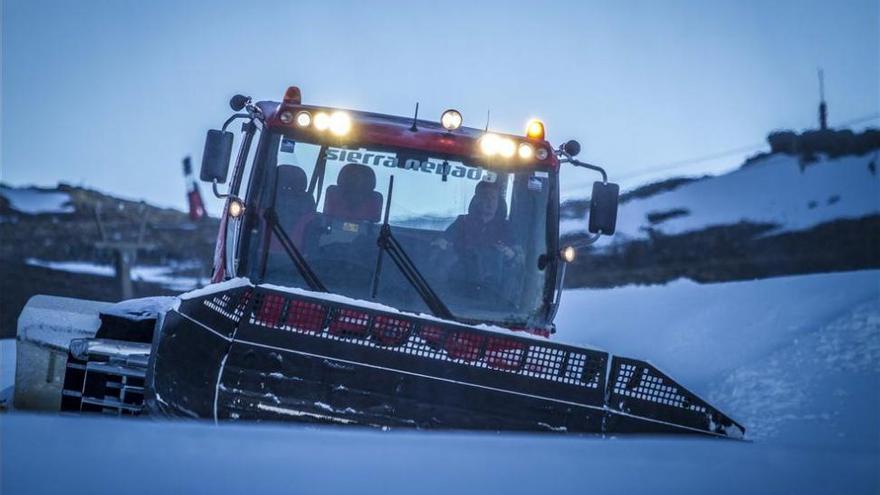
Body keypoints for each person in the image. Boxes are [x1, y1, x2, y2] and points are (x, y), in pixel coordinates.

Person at [433, 181, 521, 296]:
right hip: (461, 279)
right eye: (485, 197)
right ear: (477, 200)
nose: (490, 201)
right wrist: (441, 245)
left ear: (498, 202)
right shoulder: (462, 222)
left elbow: (519, 256)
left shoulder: (506, 227)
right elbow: (443, 241)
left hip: (495, 286)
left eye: (493, 198)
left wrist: (510, 253)